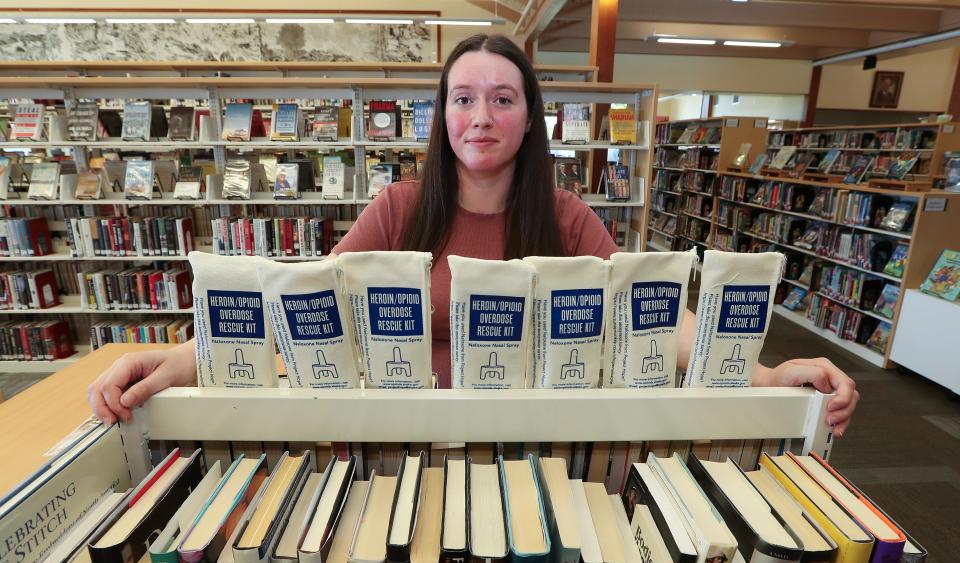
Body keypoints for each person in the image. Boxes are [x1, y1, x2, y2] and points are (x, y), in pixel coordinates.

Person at [88, 34, 859, 435]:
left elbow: (654, 318)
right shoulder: (398, 208)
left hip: (535, 433)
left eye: (501, 98)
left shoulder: (563, 218)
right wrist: (184, 359)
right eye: (462, 99)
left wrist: (768, 375)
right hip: (402, 432)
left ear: (530, 116)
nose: (480, 117)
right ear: (441, 116)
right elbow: (302, 309)